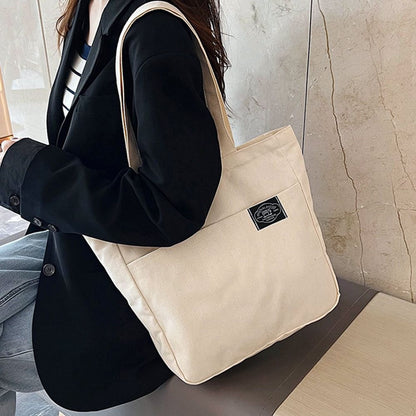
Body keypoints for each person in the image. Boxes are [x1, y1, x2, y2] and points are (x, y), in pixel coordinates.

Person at [0, 0, 231, 413]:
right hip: (81, 246)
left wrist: (27, 169)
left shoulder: (154, 28)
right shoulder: (87, 8)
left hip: (137, 284)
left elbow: (172, 205)